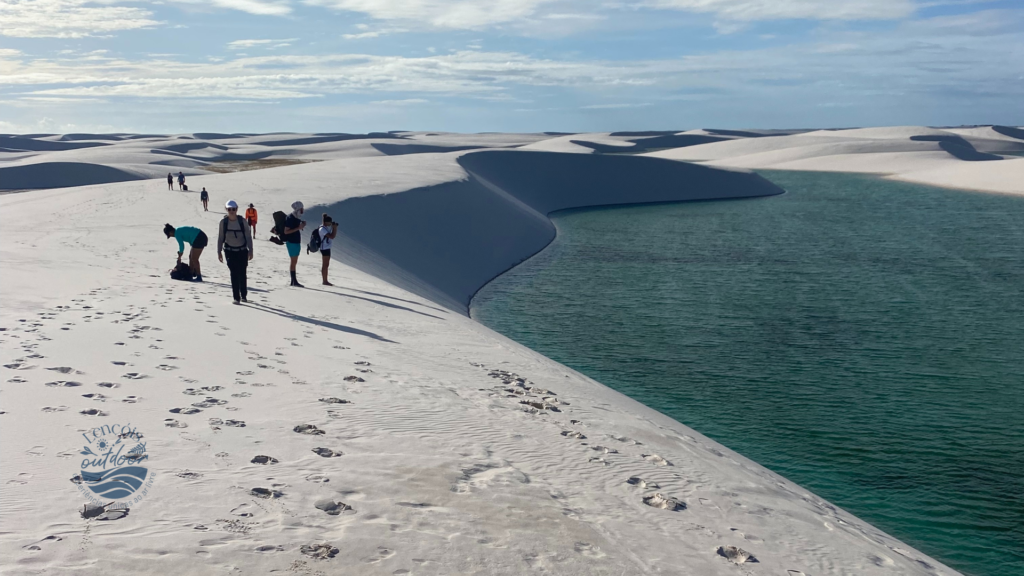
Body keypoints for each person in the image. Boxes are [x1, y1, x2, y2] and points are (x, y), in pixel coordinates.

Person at [217, 200, 253, 304]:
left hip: (242, 251)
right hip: (229, 251)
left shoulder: (242, 222)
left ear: (236, 209)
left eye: (233, 209)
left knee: (242, 273)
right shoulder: (223, 223)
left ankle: (244, 295)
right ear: (226, 210)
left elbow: (248, 236)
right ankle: (236, 297)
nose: (231, 211)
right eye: (229, 209)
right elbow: (220, 238)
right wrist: (219, 251)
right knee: (233, 273)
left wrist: (251, 250)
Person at [282, 201, 306, 287]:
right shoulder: (290, 218)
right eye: (301, 209)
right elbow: (286, 231)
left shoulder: (296, 217)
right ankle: (293, 280)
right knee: (293, 262)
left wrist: (301, 225)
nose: (302, 211)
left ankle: (294, 280)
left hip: (295, 241)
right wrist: (298, 228)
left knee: (294, 261)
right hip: (291, 242)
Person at [318, 214, 339, 286]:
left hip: (326, 247)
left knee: (326, 264)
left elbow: (323, 221)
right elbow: (332, 236)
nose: (330, 224)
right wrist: (335, 228)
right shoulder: (322, 229)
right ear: (326, 222)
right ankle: (324, 281)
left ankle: (325, 280)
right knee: (325, 265)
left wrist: (323, 217)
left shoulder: (324, 227)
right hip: (324, 248)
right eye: (329, 222)